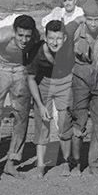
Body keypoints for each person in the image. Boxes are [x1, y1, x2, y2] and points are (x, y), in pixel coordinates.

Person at [0, 14, 42, 179]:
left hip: (20, 70)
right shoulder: (2, 35)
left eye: (27, 36)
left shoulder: (36, 36)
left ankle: (12, 161)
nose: (24, 40)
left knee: (21, 115)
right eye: (20, 35)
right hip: (1, 68)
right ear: (14, 31)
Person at [70, 0, 98, 174]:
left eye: (97, 20)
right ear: (84, 18)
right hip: (80, 77)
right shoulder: (77, 30)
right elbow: (64, 33)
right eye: (89, 19)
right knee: (79, 120)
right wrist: (77, 21)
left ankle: (95, 163)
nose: (94, 23)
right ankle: (76, 162)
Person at [27, 19, 78, 177]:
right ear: (45, 37)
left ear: (65, 38)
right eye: (51, 38)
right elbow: (30, 79)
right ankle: (40, 165)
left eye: (58, 38)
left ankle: (66, 161)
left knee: (64, 122)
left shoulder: (70, 44)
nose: (54, 42)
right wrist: (40, 105)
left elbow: (79, 20)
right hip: (44, 84)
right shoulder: (37, 51)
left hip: (65, 82)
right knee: (42, 122)